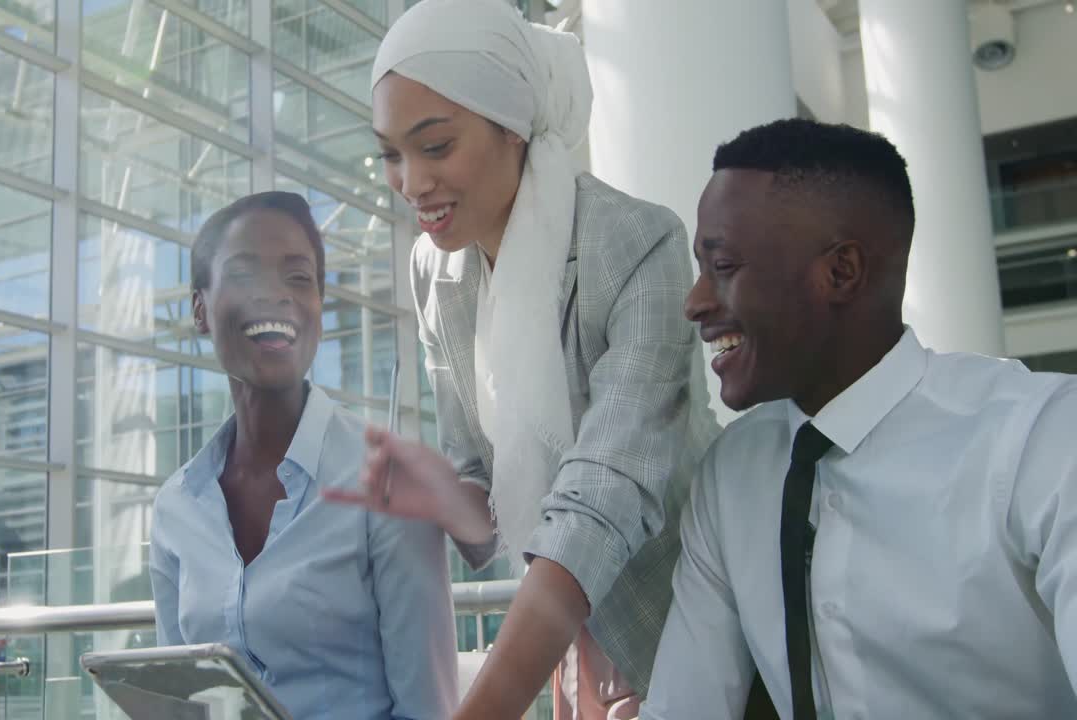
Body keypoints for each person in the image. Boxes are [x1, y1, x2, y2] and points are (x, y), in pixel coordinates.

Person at [322, 1, 718, 717]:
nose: (410, 182)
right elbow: (484, 489)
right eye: (389, 153)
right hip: (569, 645)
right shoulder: (436, 272)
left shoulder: (637, 245)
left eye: (435, 147)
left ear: (511, 127)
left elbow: (605, 494)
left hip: (687, 630)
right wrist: (441, 493)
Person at [642, 118, 1077, 719]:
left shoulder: (1042, 441)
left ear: (841, 273)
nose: (694, 303)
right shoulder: (731, 476)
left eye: (724, 266)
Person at [148, 191, 458, 720]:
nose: (276, 296)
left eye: (298, 278)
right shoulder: (176, 508)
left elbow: (429, 711)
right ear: (200, 309)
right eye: (245, 274)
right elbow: (177, 703)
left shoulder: (389, 482)